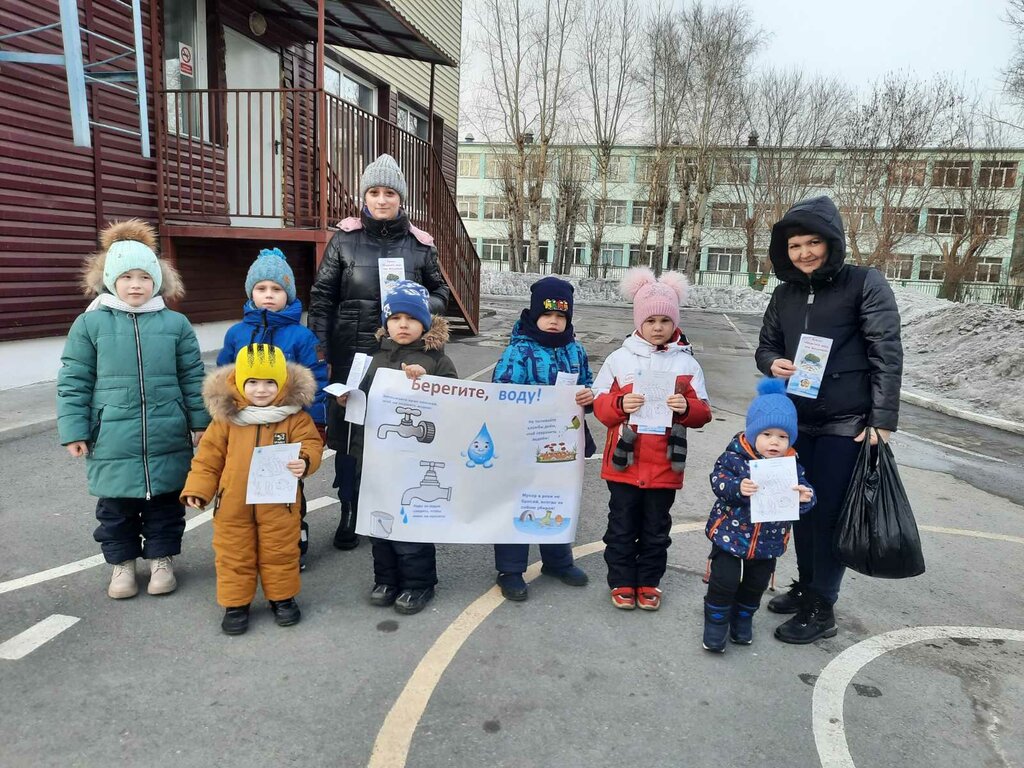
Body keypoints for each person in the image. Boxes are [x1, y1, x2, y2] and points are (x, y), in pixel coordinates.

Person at [756, 195, 903, 644]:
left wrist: (881, 418)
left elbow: (886, 351)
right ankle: (807, 587)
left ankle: (823, 607)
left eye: (813, 242)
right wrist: (773, 363)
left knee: (829, 515)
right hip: (798, 421)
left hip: (847, 422)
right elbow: (766, 346)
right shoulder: (785, 293)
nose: (804, 253)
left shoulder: (864, 284)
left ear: (832, 242)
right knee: (800, 508)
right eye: (795, 245)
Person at [57, 219, 209, 599]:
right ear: (111, 279)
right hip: (111, 436)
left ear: (157, 280)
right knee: (116, 508)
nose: (136, 284)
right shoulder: (90, 324)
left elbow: (192, 376)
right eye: (126, 277)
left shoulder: (175, 324)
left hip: (167, 432)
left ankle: (161, 561)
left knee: (165, 506)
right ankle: (121, 565)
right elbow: (74, 379)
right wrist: (74, 430)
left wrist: (200, 422)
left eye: (144, 276)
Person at [309, 153, 451, 551]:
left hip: (404, 358)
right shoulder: (344, 240)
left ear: (400, 199)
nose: (382, 199)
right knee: (352, 436)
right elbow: (322, 298)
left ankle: (391, 506)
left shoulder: (419, 247)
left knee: (400, 432)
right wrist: (319, 349)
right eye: (374, 192)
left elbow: (442, 294)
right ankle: (350, 510)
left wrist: (421, 303)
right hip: (353, 357)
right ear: (365, 197)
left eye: (390, 192)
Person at [592, 267, 713, 611]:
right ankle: (620, 581)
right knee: (621, 525)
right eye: (651, 320)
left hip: (664, 465)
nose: (658, 327)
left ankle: (648, 581)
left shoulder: (687, 364)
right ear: (638, 322)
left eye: (665, 320)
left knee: (656, 528)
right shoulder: (619, 359)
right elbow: (600, 405)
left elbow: (704, 411)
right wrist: (619, 403)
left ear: (674, 322)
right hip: (625, 464)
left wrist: (686, 407)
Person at [181, 345, 323, 635]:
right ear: (239, 383)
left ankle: (282, 599)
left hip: (279, 502)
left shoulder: (294, 417)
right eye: (253, 382)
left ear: (282, 382)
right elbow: (208, 459)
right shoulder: (226, 421)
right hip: (233, 504)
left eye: (270, 382)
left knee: (281, 552)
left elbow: (312, 444)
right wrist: (198, 489)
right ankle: (236, 605)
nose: (261, 390)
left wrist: (305, 461)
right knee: (233, 554)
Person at [337, 280, 457, 615]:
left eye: (411, 318)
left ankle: (419, 585)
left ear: (425, 323)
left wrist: (429, 384)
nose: (402, 324)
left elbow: (454, 405)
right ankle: (386, 579)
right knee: (380, 525)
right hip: (373, 459)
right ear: (386, 323)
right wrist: (347, 399)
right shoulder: (372, 360)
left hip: (415, 463)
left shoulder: (436, 362)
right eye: (395, 318)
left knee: (409, 526)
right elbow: (358, 410)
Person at [218, 247, 328, 570]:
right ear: (251, 292)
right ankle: (253, 543)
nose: (269, 296)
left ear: (288, 294)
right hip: (245, 424)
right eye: (262, 289)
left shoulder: (302, 336)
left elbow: (315, 381)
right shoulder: (237, 333)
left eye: (277, 289)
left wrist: (317, 424)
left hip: (287, 425)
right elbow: (225, 376)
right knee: (243, 485)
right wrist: (223, 417)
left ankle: (295, 539)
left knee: (287, 486)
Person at [490, 276, 595, 601]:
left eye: (561, 316)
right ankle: (510, 569)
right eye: (547, 314)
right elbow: (500, 392)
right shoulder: (518, 351)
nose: (554, 321)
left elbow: (589, 383)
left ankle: (557, 560)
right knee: (519, 502)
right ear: (534, 314)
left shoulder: (575, 350)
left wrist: (588, 397)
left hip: (562, 443)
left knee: (556, 500)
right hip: (523, 443)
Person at [701, 378, 816, 653]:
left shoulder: (791, 465)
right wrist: (736, 487)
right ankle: (716, 623)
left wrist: (805, 498)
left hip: (768, 541)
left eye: (782, 436)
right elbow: (717, 480)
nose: (774, 442)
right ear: (753, 433)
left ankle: (743, 619)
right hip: (730, 535)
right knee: (724, 582)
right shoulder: (735, 456)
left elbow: (803, 494)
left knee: (755, 585)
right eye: (767, 434)